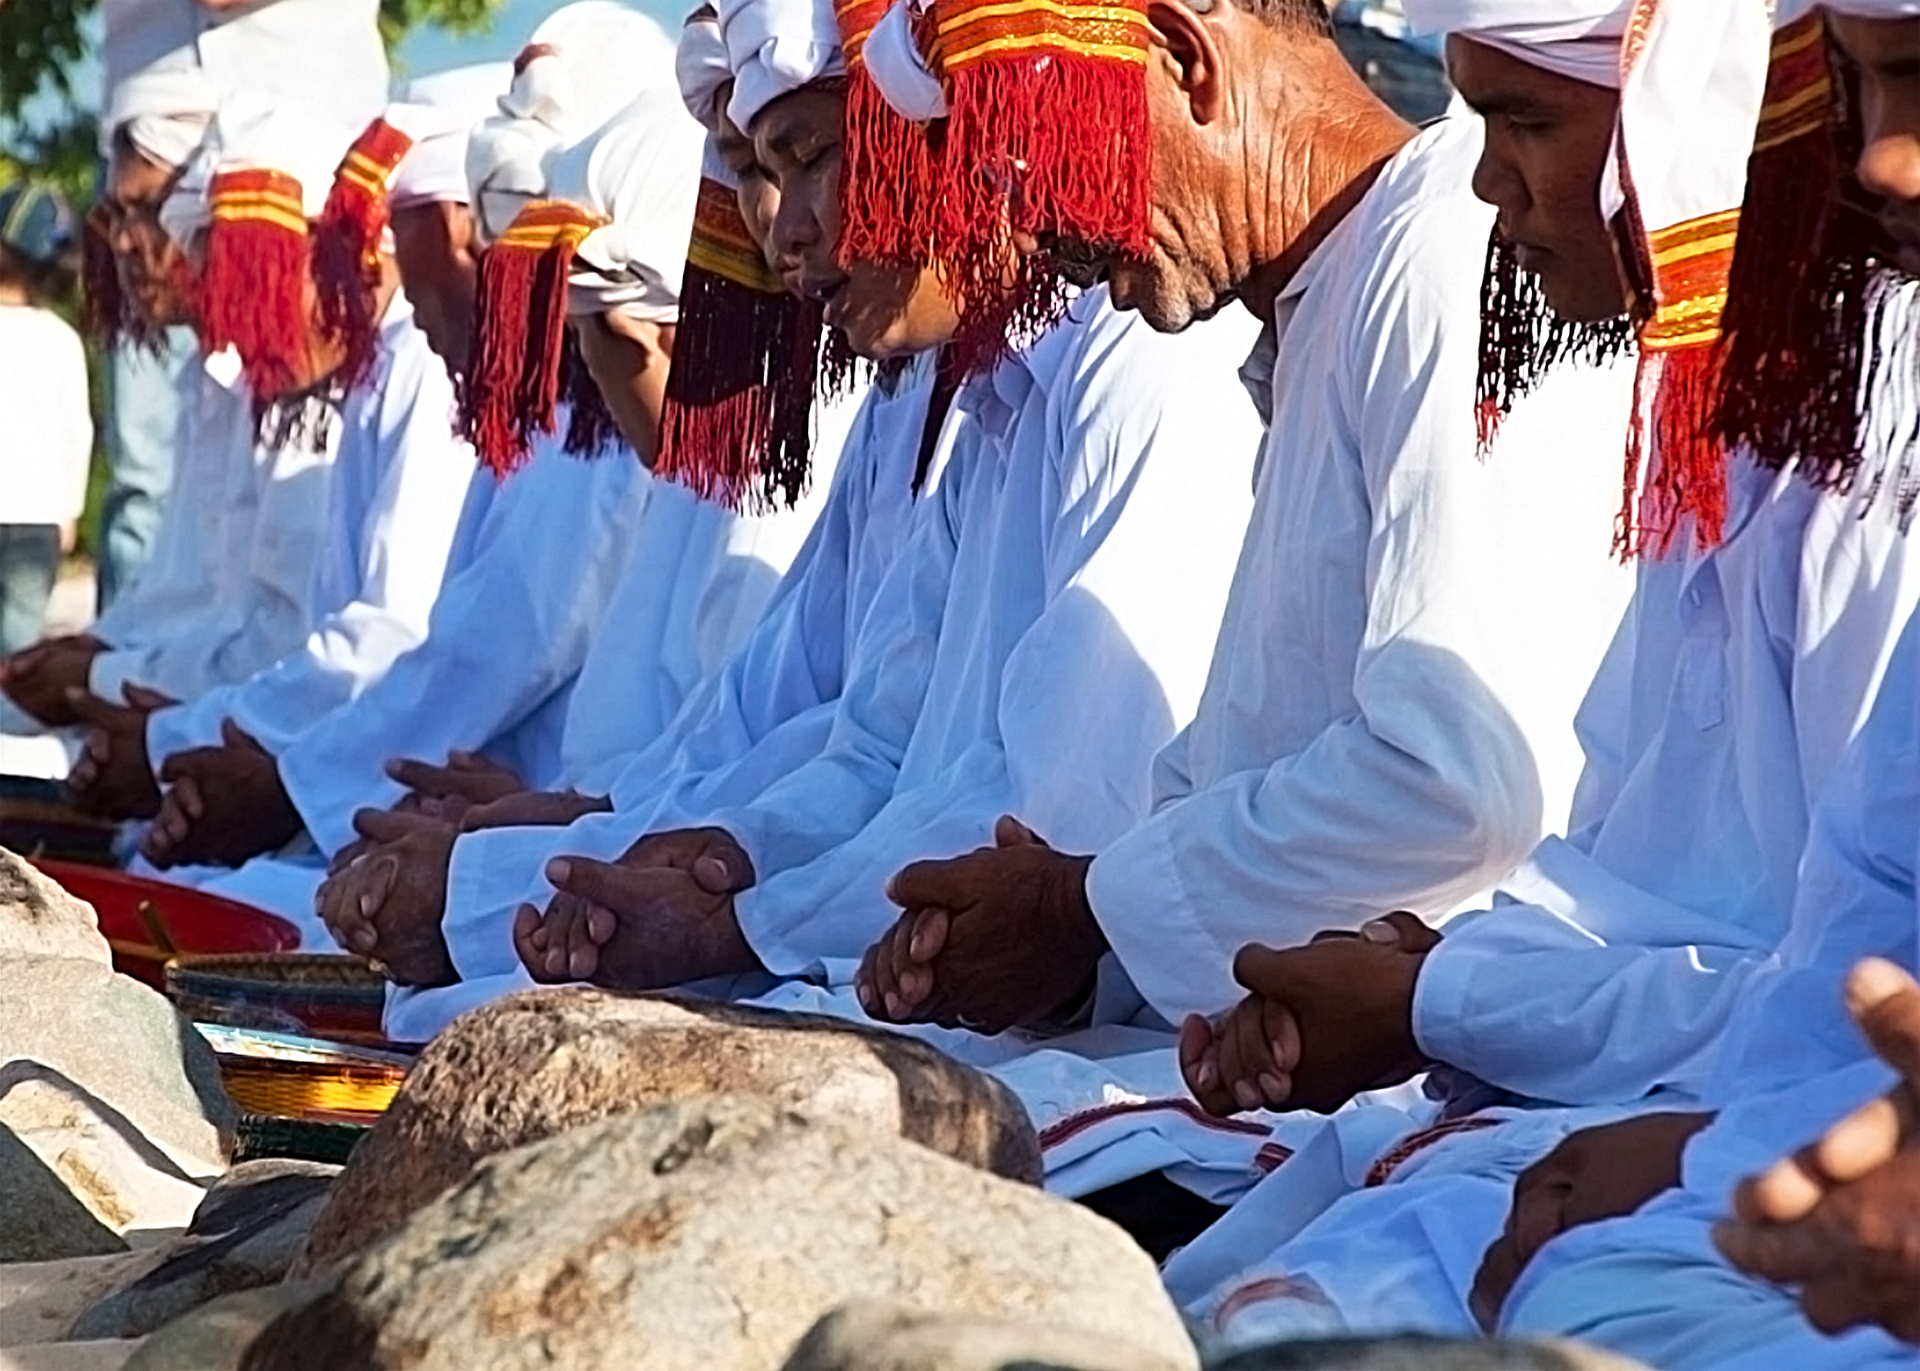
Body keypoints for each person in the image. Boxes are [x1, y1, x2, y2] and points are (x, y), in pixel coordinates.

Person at [1156, 0, 1920, 1346]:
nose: (1482, 181)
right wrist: (1424, 977)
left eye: (1525, 121)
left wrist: (1431, 996)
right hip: (1652, 1103)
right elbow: (1644, 900)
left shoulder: (1873, 440)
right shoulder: (1752, 416)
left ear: (1704, 114)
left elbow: (1824, 998)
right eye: (1860, 87)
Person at [849, 0, 1633, 1055]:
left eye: (1042, 157)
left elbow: (1460, 784)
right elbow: (1230, 786)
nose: (1035, 232)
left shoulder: (1440, 240)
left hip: (1484, 1062)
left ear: (1186, 58)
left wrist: (1083, 909)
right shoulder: (1326, 304)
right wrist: (1069, 949)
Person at [61, 75, 479, 827]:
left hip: (361, 803)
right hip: (307, 778)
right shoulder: (358, 370)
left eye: (267, 273)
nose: (254, 319)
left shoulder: (418, 366)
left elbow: (385, 641)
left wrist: (163, 731)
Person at [0, 0, 391, 782]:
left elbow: (345, 655)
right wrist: (99, 664)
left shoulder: (394, 376)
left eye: (152, 214)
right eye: (117, 217)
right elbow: (198, 607)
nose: (130, 249)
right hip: (232, 740)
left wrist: (105, 686)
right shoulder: (224, 380)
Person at [0, 183, 92, 657]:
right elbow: (75, 432)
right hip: (38, 513)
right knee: (19, 639)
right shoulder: (62, 340)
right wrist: (69, 510)